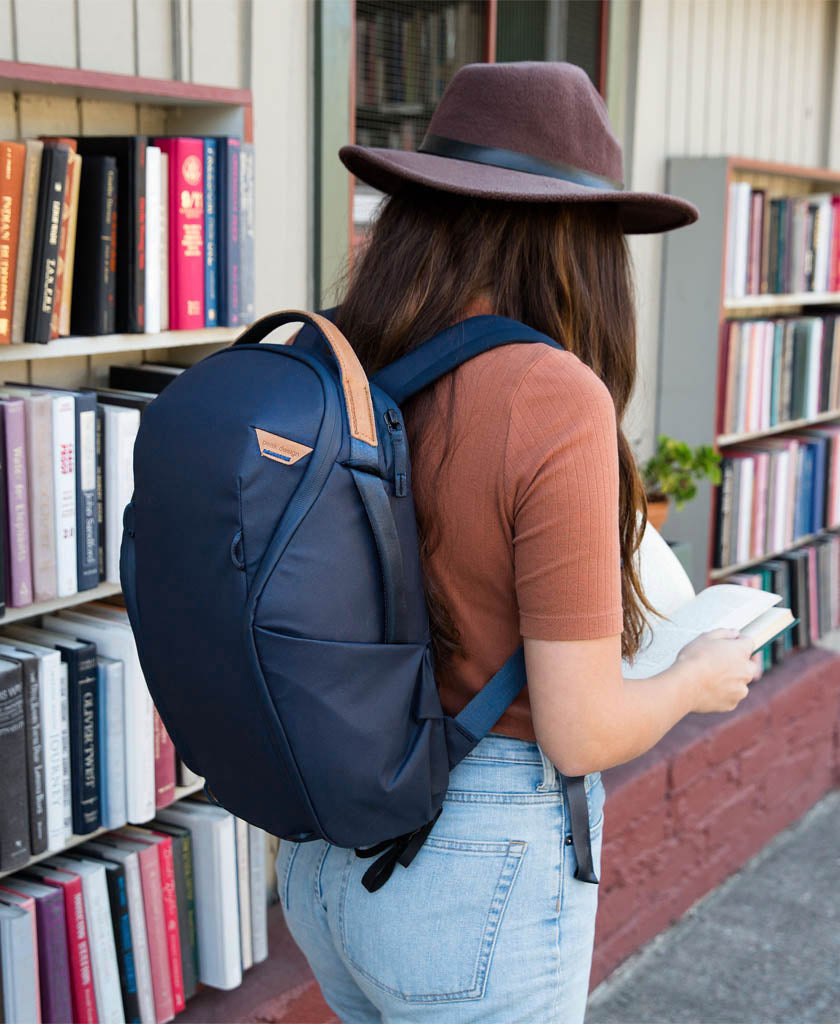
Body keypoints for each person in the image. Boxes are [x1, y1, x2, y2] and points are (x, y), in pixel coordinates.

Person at [274, 61, 759, 1023]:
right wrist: (697, 681)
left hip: (324, 856)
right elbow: (580, 731)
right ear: (577, 240)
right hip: (471, 863)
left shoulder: (338, 359)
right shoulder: (550, 396)